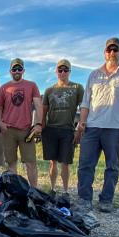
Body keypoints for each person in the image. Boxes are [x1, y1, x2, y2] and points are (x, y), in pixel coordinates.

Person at [76, 37, 119, 213]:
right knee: (85, 165)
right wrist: (81, 123)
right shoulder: (94, 75)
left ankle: (106, 199)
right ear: (104, 52)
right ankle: (84, 198)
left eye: (115, 49)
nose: (112, 53)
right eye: (109, 50)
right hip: (92, 125)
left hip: (116, 127)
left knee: (112, 166)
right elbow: (86, 103)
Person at [0, 58, 42, 188]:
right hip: (8, 130)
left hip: (26, 130)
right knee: (11, 163)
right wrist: (0, 122)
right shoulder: (4, 88)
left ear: (23, 70)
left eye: (19, 69)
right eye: (14, 69)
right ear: (10, 71)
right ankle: (15, 191)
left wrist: (38, 124)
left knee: (31, 163)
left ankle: (34, 191)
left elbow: (38, 105)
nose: (17, 71)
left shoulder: (31, 85)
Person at [41, 59, 84, 195]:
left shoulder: (77, 88)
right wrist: (41, 127)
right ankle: (53, 188)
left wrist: (80, 128)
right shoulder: (49, 90)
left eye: (65, 70)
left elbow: (83, 108)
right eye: (60, 70)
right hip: (51, 128)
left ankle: (65, 190)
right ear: (56, 72)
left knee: (65, 163)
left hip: (68, 129)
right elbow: (43, 111)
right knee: (53, 162)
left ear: (69, 72)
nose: (63, 73)